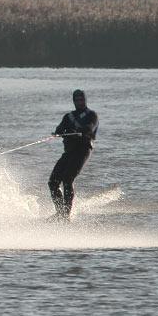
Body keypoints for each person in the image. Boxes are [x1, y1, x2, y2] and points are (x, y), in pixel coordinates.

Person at [48, 89, 98, 219]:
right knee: (52, 182)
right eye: (77, 100)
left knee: (67, 179)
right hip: (69, 152)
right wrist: (58, 132)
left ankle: (66, 215)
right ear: (74, 101)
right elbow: (60, 128)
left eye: (82, 99)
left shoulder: (92, 115)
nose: (80, 102)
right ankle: (60, 212)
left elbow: (90, 127)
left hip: (82, 151)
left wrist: (81, 130)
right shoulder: (68, 117)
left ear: (85, 100)